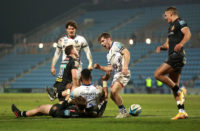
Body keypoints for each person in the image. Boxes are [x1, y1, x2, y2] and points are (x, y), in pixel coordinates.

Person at [154, 6, 191, 120]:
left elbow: (188, 34)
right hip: (173, 55)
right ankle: (182, 112)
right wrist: (162, 47)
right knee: (173, 84)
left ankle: (180, 91)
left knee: (157, 74)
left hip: (177, 56)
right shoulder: (170, 27)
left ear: (171, 14)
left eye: (166, 15)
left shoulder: (180, 22)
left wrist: (181, 44)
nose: (165, 18)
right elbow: (167, 44)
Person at [94, 32, 131, 118]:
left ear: (108, 39)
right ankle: (123, 111)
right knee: (112, 96)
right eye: (101, 43)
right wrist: (100, 67)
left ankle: (123, 113)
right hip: (117, 75)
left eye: (103, 41)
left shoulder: (116, 45)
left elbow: (127, 53)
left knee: (114, 91)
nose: (102, 44)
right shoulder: (108, 55)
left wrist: (125, 66)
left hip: (123, 73)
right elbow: (110, 68)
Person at [11, 96, 87, 118]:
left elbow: (59, 112)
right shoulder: (84, 113)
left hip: (55, 110)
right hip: (60, 108)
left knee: (39, 108)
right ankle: (41, 113)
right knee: (40, 111)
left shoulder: (71, 113)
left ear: (77, 106)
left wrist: (66, 102)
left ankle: (20, 114)